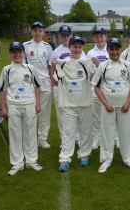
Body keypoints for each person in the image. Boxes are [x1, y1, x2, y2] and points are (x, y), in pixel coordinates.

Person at [91, 38, 130, 173]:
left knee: (126, 133)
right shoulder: (103, 66)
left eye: (117, 49)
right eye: (111, 49)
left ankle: (128, 158)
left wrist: (128, 101)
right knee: (107, 133)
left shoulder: (127, 65)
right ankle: (106, 159)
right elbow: (97, 87)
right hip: (108, 107)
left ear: (121, 50)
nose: (114, 52)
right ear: (107, 50)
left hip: (124, 106)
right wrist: (105, 103)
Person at [52, 36, 97, 172]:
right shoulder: (62, 63)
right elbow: (55, 80)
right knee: (68, 132)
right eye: (74, 47)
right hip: (68, 104)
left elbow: (98, 78)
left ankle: (84, 155)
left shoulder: (87, 63)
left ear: (82, 48)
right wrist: (55, 65)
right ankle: (65, 159)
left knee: (85, 131)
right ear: (69, 47)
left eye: (79, 47)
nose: (77, 49)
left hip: (85, 104)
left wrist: (97, 64)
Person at [0, 41, 43, 176]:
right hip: (13, 106)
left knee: (30, 134)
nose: (17, 54)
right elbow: (2, 89)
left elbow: (37, 86)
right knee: (15, 135)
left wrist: (38, 103)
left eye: (19, 52)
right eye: (14, 52)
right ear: (10, 54)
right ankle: (17, 164)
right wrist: (3, 107)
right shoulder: (7, 69)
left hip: (29, 105)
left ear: (24, 53)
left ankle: (31, 161)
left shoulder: (30, 68)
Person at [49, 25, 89, 148]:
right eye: (63, 35)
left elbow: (87, 72)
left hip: (77, 89)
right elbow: (52, 67)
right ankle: (65, 139)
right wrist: (53, 80)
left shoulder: (83, 55)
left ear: (71, 35)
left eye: (68, 35)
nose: (65, 37)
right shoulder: (56, 51)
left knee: (78, 112)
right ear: (60, 36)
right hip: (61, 86)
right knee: (63, 113)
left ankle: (78, 137)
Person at [86, 28, 120, 149]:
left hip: (111, 89)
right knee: (97, 115)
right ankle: (97, 138)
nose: (99, 39)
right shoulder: (90, 53)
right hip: (96, 89)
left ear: (105, 37)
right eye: (97, 37)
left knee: (114, 113)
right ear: (94, 39)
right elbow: (89, 73)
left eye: (101, 36)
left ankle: (116, 137)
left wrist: (99, 64)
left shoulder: (112, 50)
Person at [24, 22, 53, 149]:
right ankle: (30, 138)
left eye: (40, 30)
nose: (37, 33)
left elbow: (51, 65)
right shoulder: (25, 46)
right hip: (30, 83)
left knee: (44, 112)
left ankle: (42, 138)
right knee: (30, 110)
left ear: (43, 33)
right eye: (35, 30)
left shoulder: (47, 47)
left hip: (45, 82)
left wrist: (52, 79)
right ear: (31, 32)